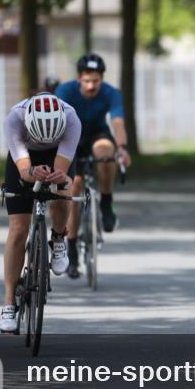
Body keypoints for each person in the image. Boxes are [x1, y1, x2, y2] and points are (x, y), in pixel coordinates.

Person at [0, 93, 81, 332]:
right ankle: (8, 303)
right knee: (18, 229)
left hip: (58, 155)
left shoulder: (72, 120)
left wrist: (58, 177)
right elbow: (24, 169)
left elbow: (61, 171)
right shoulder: (14, 119)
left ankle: (58, 238)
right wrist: (32, 172)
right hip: (25, 159)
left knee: (64, 190)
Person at [55, 53, 132, 278]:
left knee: (106, 152)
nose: (91, 86)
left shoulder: (111, 93)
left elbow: (117, 122)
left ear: (102, 79)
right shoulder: (65, 91)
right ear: (79, 78)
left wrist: (122, 148)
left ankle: (106, 202)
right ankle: (71, 248)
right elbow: (57, 122)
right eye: (87, 80)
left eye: (96, 81)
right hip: (72, 138)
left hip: (97, 134)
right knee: (74, 187)